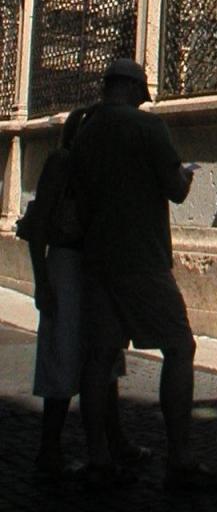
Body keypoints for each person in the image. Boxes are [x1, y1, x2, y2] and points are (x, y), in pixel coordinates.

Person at [71, 58, 217, 492]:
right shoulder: (148, 128)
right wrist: (185, 177)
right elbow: (175, 190)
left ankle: (98, 459)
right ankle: (180, 460)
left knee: (99, 357)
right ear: (132, 88)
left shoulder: (85, 130)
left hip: (97, 257)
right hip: (142, 258)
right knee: (179, 346)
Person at [27, 105, 147, 480]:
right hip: (66, 265)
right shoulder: (62, 163)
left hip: (97, 265)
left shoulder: (102, 168)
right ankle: (49, 448)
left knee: (104, 355)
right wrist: (41, 281)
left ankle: (114, 441)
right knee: (62, 352)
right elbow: (39, 224)